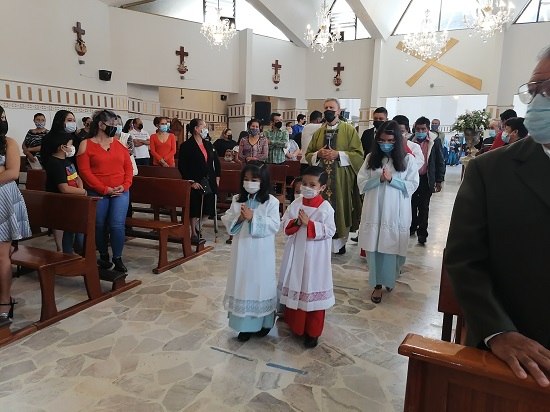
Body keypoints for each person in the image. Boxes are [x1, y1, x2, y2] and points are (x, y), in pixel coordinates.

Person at [445, 46, 550, 388]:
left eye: (549, 89)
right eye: (534, 89)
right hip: (515, 354)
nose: (537, 99)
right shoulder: (491, 170)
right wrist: (498, 330)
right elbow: (463, 260)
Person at [357, 120, 419, 303]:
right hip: (374, 209)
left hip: (395, 211)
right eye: (383, 140)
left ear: (398, 140)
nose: (386, 144)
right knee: (375, 247)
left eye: (391, 140)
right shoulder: (370, 159)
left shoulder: (408, 160)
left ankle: (389, 279)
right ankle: (376, 285)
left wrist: (392, 180)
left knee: (392, 246)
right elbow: (361, 182)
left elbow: (413, 184)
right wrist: (379, 180)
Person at [221, 161, 280, 342]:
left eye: (254, 179)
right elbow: (228, 221)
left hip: (261, 253)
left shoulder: (271, 201)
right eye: (246, 179)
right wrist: (240, 217)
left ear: (263, 181)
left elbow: (274, 225)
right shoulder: (237, 199)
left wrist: (254, 217)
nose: (249, 183)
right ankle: (244, 327)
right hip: (241, 250)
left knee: (260, 284)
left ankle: (264, 324)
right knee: (242, 282)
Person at [278, 166, 336, 348]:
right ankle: (296, 326)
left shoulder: (326, 208)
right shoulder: (296, 204)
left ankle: (312, 331)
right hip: (296, 253)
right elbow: (285, 224)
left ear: (322, 187)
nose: (307, 187)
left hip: (315, 257)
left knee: (312, 288)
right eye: (304, 183)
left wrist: (309, 224)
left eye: (312, 184)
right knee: (297, 285)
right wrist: (296, 222)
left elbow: (330, 230)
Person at [304, 98, 364, 254]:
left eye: (332, 107)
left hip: (341, 178)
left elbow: (358, 155)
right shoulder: (318, 132)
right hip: (321, 180)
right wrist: (319, 153)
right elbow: (308, 154)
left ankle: (340, 243)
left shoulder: (349, 130)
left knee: (340, 207)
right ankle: (320, 238)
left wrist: (339, 154)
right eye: (326, 107)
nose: (328, 110)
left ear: (339, 111)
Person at [77, 110, 133, 273]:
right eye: (112, 125)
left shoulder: (118, 144)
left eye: (116, 125)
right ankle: (103, 254)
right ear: (101, 125)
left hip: (121, 191)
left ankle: (117, 257)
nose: (115, 128)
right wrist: (104, 189)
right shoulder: (86, 144)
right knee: (99, 225)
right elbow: (85, 172)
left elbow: (128, 167)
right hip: (97, 192)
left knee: (117, 225)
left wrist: (125, 185)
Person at [0, 106, 32, 324]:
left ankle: (3, 302)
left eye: (3, 117)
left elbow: (12, 172)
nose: (3, 120)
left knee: (1, 255)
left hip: (3, 199)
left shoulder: (8, 142)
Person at [178, 118, 220, 241]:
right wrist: (191, 181)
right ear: (196, 129)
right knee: (195, 207)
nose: (206, 129)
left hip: (209, 180)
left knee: (209, 208)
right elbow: (182, 166)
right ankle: (193, 233)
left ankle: (198, 226)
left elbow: (216, 162)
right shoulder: (186, 146)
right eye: (204, 126)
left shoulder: (208, 144)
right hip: (195, 180)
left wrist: (217, 176)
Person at [44, 133, 87, 254]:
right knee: (62, 227)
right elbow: (64, 188)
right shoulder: (54, 163)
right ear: (62, 147)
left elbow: (77, 178)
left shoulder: (67, 161)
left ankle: (78, 250)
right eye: (70, 145)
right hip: (60, 203)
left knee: (79, 229)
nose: (72, 147)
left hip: (74, 200)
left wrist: (80, 191)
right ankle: (61, 250)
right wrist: (83, 192)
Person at [409, 116, 445, 245]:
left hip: (426, 178)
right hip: (412, 179)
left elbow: (440, 161)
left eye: (423, 129)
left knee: (423, 206)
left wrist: (439, 180)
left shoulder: (435, 142)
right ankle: (411, 227)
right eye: (417, 129)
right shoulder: (410, 140)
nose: (420, 131)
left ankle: (422, 234)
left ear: (428, 129)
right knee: (411, 205)